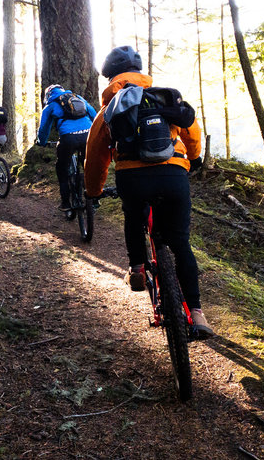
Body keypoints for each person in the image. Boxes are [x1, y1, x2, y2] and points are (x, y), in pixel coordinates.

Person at [84, 45, 213, 338]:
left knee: (133, 216)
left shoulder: (109, 109)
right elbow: (191, 128)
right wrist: (192, 161)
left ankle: (138, 268)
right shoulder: (164, 96)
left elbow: (95, 157)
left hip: (133, 179)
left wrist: (94, 191)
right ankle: (197, 313)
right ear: (141, 73)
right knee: (180, 243)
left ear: (110, 78)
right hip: (173, 175)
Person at [36, 84, 96, 211]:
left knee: (61, 168)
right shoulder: (77, 97)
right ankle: (94, 198)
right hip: (88, 135)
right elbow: (93, 113)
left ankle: (65, 203)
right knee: (88, 166)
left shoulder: (50, 105)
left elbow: (44, 128)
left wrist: (41, 142)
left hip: (68, 138)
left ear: (48, 95)